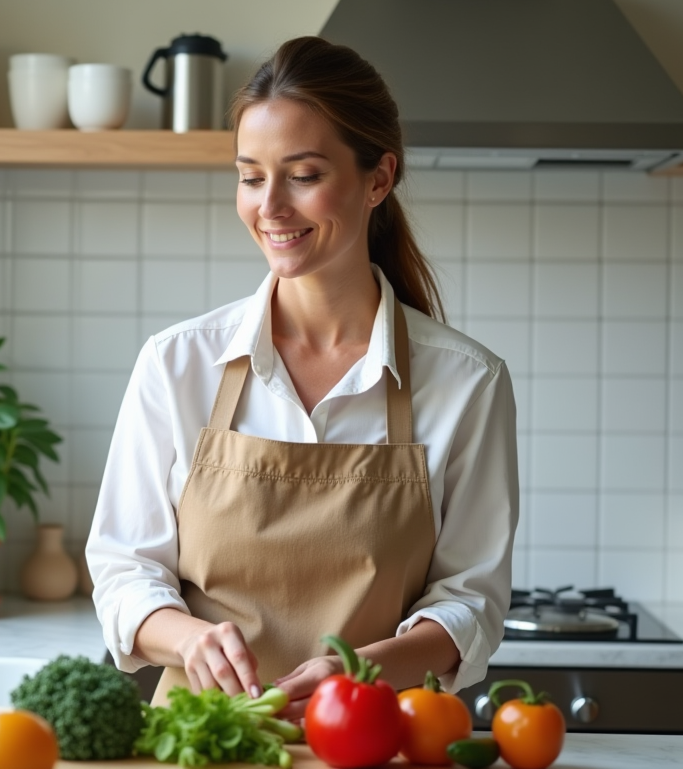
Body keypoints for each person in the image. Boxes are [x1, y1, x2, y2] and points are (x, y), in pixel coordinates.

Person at [86, 36, 518, 721]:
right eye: (251, 177)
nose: (271, 206)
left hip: (374, 739)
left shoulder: (466, 382)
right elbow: (123, 569)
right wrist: (192, 640)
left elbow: (471, 600)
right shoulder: (178, 364)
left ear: (378, 179)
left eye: (304, 175)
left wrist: (356, 672)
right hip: (204, 745)